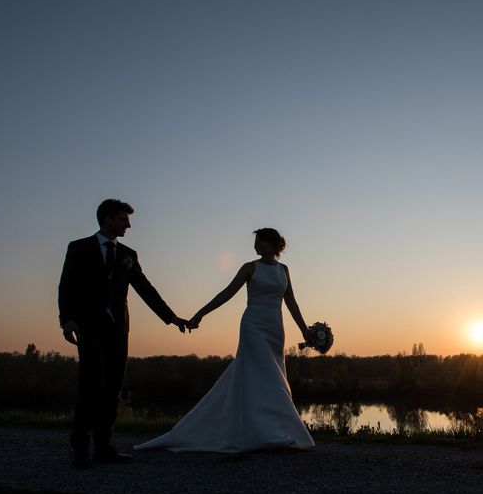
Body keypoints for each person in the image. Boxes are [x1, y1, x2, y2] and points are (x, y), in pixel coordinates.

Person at [134, 228, 316, 453]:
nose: (257, 247)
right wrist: (200, 313)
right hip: (253, 326)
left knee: (271, 377)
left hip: (275, 329)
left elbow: (291, 303)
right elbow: (227, 293)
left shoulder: (283, 270)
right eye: (256, 243)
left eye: (261, 243)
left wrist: (305, 331)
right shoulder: (250, 268)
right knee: (269, 377)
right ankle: (269, 434)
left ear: (274, 245)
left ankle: (270, 430)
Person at [58, 199, 188, 468]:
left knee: (112, 389)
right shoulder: (79, 248)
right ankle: (80, 445)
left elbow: (144, 288)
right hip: (88, 327)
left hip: (118, 329)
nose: (128, 225)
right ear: (107, 219)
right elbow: (66, 285)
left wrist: (171, 317)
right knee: (90, 385)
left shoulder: (128, 254)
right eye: (123, 219)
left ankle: (104, 446)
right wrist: (67, 320)